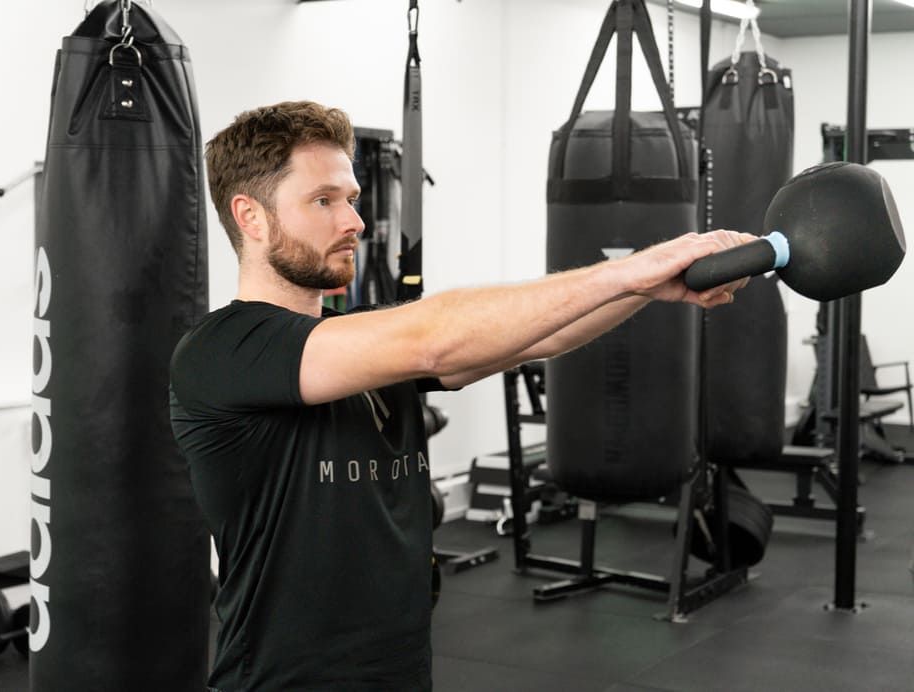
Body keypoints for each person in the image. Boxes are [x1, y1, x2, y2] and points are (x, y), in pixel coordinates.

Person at [169, 100, 752, 691]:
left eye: (352, 199)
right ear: (252, 216)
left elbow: (537, 339)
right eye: (324, 201)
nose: (354, 222)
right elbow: (435, 339)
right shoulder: (223, 351)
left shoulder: (367, 343)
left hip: (398, 673)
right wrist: (630, 269)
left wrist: (652, 288)